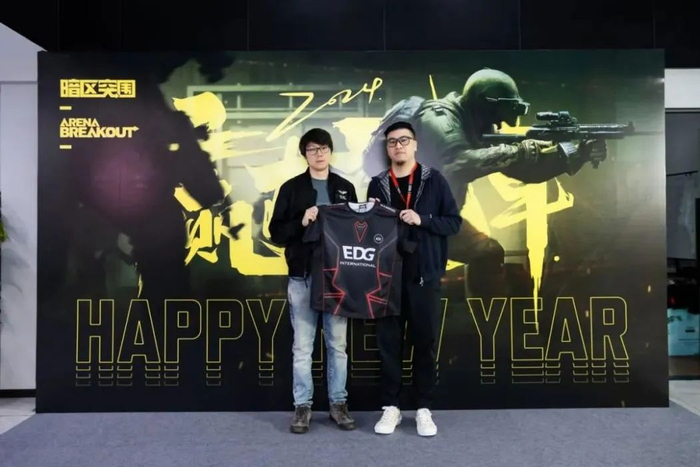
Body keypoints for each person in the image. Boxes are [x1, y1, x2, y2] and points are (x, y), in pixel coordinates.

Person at [367, 121, 462, 437]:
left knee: (425, 342)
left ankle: (423, 408)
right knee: (388, 344)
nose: (398, 146)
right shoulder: (377, 184)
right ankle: (391, 407)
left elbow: (453, 223)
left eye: (404, 140)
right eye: (392, 141)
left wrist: (423, 219)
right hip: (387, 278)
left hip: (424, 275)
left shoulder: (434, 180)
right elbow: (368, 230)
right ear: (387, 148)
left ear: (415, 144)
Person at [269, 128, 358, 434]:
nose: (318, 154)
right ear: (304, 154)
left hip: (337, 279)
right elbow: (276, 233)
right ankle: (302, 407)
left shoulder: (345, 188)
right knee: (302, 347)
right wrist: (302, 221)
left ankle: (338, 404)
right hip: (303, 276)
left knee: (338, 346)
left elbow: (356, 233)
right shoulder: (291, 188)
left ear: (330, 151)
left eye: (323, 148)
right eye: (312, 149)